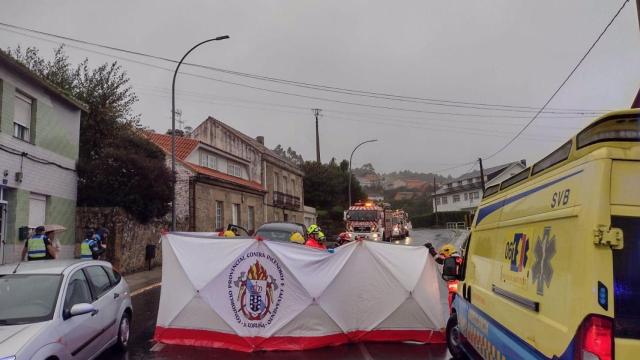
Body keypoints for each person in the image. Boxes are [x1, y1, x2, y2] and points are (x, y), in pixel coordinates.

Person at [425, 242, 463, 311]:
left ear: (448, 251)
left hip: (453, 288)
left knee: (452, 304)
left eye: (443, 255)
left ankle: (453, 315)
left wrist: (430, 248)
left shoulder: (449, 260)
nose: (443, 256)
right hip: (461, 288)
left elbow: (438, 259)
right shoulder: (461, 259)